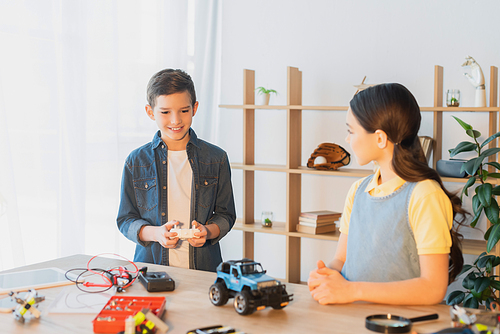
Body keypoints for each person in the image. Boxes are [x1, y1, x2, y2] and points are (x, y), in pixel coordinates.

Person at [308, 83, 465, 305]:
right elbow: (341, 259)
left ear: (380, 138)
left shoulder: (424, 195)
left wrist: (352, 291)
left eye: (351, 131)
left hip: (402, 324)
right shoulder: (358, 190)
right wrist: (327, 275)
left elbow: (433, 287)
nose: (347, 139)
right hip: (351, 318)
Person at [117, 69, 236, 272]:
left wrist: (207, 232)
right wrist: (157, 234)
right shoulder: (135, 161)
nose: (175, 120)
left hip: (203, 272)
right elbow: (125, 220)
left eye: (183, 110)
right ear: (150, 111)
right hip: (151, 271)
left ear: (194, 108)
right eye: (165, 112)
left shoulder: (217, 158)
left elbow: (226, 215)